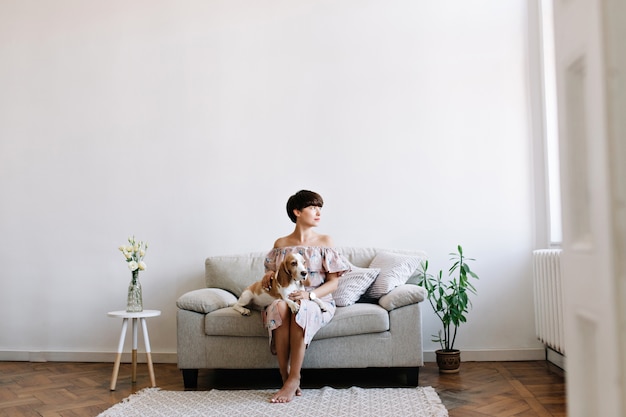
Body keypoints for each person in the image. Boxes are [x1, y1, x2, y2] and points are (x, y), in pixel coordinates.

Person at [261, 190, 350, 403]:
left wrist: (308, 295)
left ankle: (294, 378)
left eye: (319, 207)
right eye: (312, 207)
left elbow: (333, 283)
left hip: (316, 300)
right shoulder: (281, 244)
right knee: (279, 308)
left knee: (301, 307)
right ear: (297, 212)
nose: (318, 212)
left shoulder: (325, 241)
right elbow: (272, 273)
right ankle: (284, 375)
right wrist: (269, 275)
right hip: (286, 297)